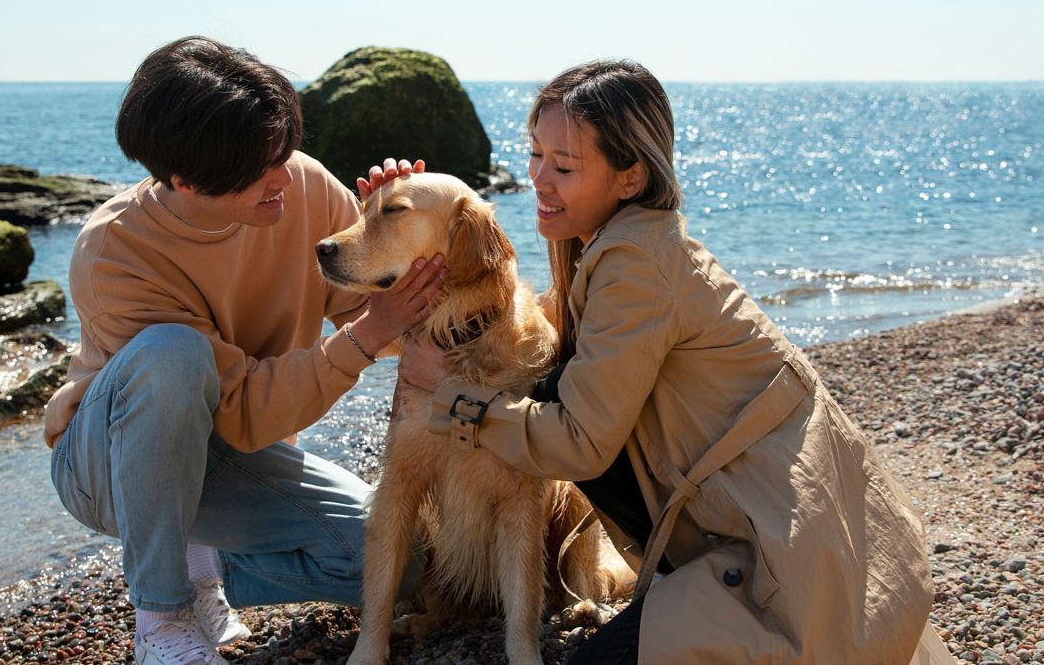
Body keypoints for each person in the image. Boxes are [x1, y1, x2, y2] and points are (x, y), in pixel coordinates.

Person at [399, 60, 953, 663]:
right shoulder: (626, 248)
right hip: (796, 536)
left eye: (563, 166)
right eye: (534, 155)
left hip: (789, 570)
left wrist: (450, 393)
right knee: (555, 382)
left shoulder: (635, 266)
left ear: (630, 176)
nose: (538, 179)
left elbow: (580, 443)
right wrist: (397, 224)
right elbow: (535, 349)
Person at [43, 36, 442, 665]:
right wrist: (364, 337)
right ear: (183, 179)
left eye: (284, 151)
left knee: (401, 561)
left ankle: (208, 566)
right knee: (173, 355)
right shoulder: (113, 253)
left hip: (231, 459)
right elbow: (247, 408)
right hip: (114, 473)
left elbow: (375, 314)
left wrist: (397, 235)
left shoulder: (300, 186)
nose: (286, 177)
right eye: (262, 168)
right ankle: (162, 618)